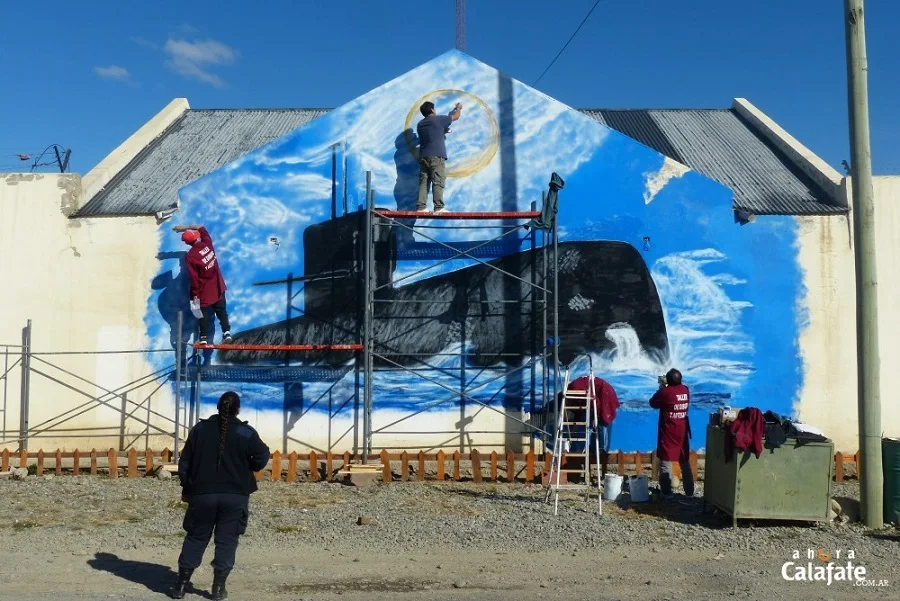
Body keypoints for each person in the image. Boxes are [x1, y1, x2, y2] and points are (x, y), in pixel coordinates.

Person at [168, 391, 270, 600]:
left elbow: (185, 463)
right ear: (238, 409)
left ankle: (180, 586)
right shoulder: (245, 432)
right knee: (227, 541)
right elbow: (262, 455)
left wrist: (187, 488)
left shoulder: (199, 430)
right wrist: (247, 466)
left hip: (202, 495)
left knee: (196, 537)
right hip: (235, 496)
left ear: (217, 407)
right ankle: (217, 589)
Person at [173, 224, 232, 345]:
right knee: (222, 312)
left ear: (187, 243)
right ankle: (226, 333)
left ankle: (203, 338)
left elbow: (194, 278)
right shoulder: (207, 243)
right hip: (218, 287)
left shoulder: (191, 256)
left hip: (204, 292)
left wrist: (194, 295)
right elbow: (201, 227)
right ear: (197, 237)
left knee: (202, 315)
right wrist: (184, 228)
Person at [648, 368, 694, 498]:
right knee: (684, 460)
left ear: (668, 380)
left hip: (669, 431)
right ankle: (690, 492)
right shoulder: (685, 390)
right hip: (682, 430)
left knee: (666, 461)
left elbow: (653, 403)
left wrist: (661, 387)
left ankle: (667, 492)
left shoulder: (665, 392)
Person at [416, 101, 462, 213]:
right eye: (434, 109)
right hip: (436, 156)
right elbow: (455, 117)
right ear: (432, 110)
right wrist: (458, 108)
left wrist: (442, 131)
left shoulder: (420, 124)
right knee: (438, 181)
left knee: (424, 182)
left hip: (423, 156)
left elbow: (431, 134)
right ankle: (439, 208)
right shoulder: (439, 120)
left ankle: (421, 208)